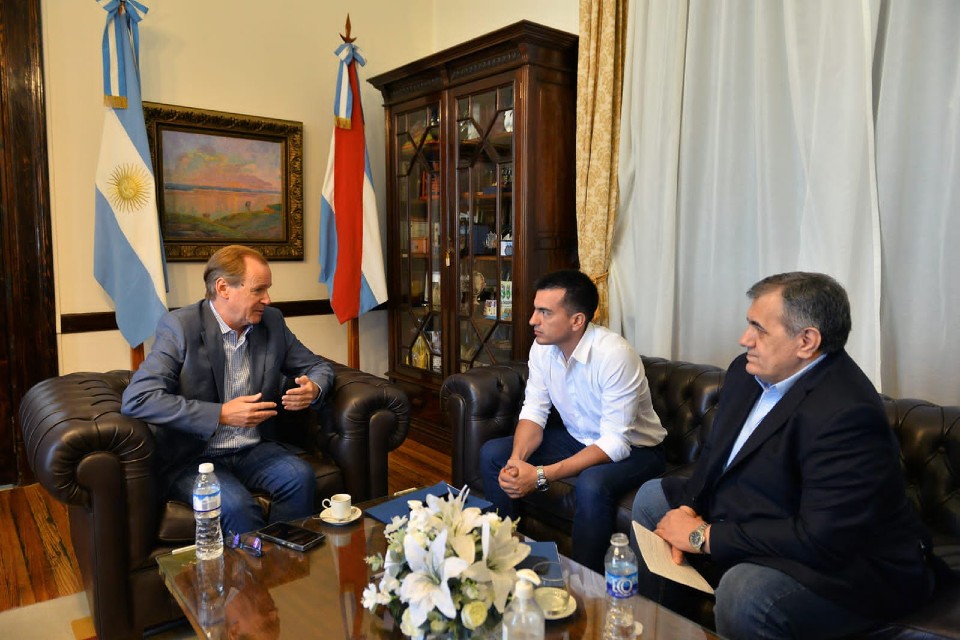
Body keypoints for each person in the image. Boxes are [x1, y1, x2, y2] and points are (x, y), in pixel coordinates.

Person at [631, 272, 935, 639]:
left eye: (759, 329)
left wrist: (703, 537)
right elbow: (715, 454)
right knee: (653, 499)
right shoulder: (745, 372)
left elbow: (821, 538)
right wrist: (688, 508)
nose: (745, 339)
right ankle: (664, 630)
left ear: (806, 341)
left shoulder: (847, 413)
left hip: (850, 563)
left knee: (745, 593)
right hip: (766, 511)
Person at [122, 245, 334, 534]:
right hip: (194, 456)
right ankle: (254, 565)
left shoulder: (271, 322)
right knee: (236, 507)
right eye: (258, 290)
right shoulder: (180, 327)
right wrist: (220, 414)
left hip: (252, 447)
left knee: (300, 477)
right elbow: (138, 399)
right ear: (223, 288)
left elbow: (318, 366)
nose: (267, 299)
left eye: (267, 289)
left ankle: (286, 557)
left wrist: (314, 388)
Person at [479, 269, 666, 572]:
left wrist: (540, 475)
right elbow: (534, 411)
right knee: (493, 454)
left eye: (545, 312)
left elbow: (615, 443)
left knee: (591, 484)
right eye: (535, 310)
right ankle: (505, 556)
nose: (532, 320)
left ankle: (585, 584)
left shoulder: (614, 355)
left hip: (637, 450)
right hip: (578, 438)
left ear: (577, 320)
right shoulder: (542, 349)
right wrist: (516, 462)